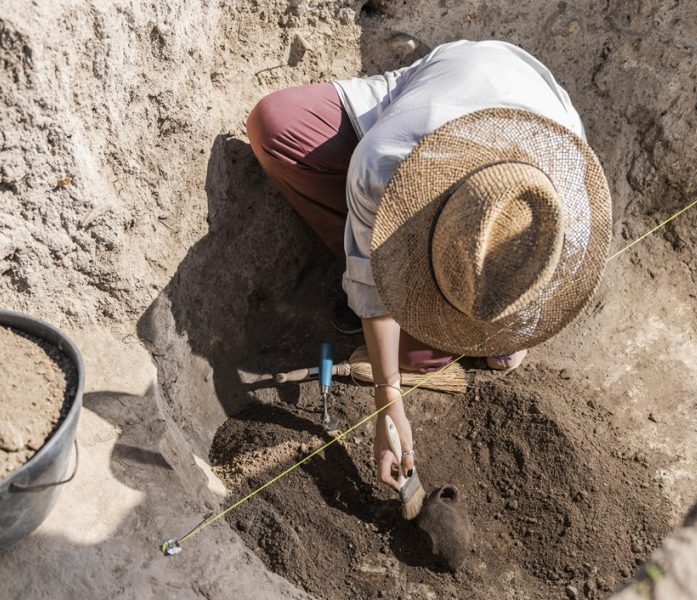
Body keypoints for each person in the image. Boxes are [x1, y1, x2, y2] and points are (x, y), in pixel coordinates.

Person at [246, 40, 612, 513]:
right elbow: (377, 302)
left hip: (530, 98)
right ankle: (384, 253)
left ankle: (487, 331)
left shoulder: (566, 222)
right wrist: (388, 402)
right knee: (274, 123)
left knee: (471, 352)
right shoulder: (384, 162)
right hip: (442, 82)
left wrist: (507, 329)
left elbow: (534, 279)